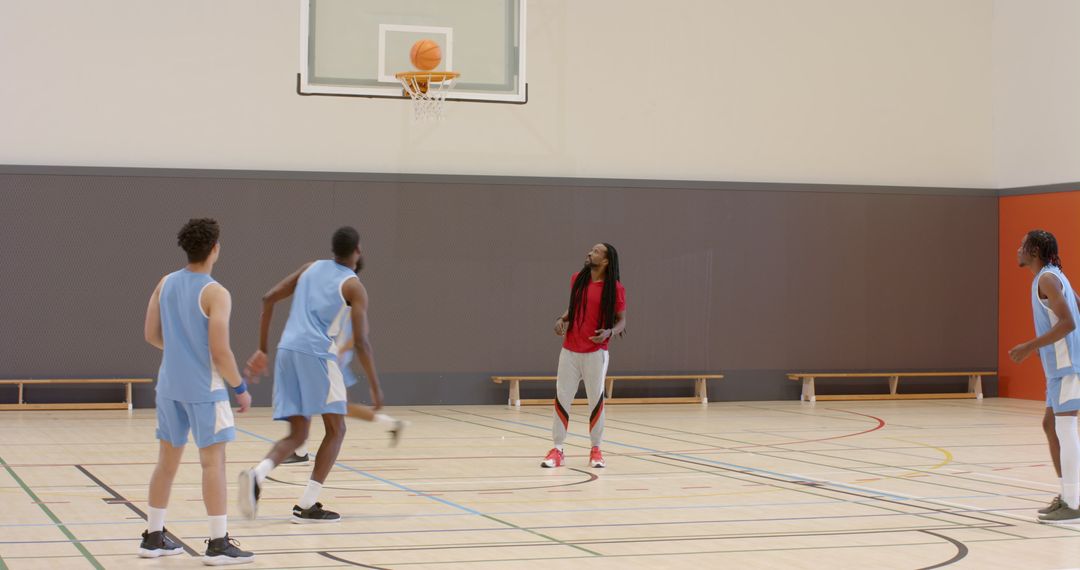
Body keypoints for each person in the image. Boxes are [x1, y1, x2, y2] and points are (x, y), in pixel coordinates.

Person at [238, 226, 393, 523]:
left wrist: (262, 349)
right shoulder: (353, 286)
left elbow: (268, 298)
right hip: (316, 354)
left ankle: (257, 475)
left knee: (299, 434)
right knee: (336, 430)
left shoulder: (310, 268)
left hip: (286, 351)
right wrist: (375, 388)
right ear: (357, 250)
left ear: (333, 249)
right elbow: (362, 342)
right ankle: (306, 505)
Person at [139, 218, 254, 564]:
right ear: (215, 248)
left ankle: (153, 536)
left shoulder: (165, 282)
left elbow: (150, 334)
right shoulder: (216, 293)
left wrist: (179, 351)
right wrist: (240, 387)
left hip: (169, 386)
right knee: (213, 464)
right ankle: (218, 543)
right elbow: (221, 352)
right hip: (205, 389)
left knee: (166, 464)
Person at [1010, 229, 1080, 523]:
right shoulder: (1053, 276)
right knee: (1050, 425)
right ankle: (1067, 495)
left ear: (1035, 250)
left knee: (1065, 428)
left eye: (1022, 245)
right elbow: (1076, 305)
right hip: (1058, 369)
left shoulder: (1048, 279)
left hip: (1066, 369)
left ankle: (1074, 504)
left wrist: (1031, 345)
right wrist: (1046, 343)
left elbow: (1067, 323)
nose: (1018, 249)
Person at [542, 243, 627, 469]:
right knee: (562, 398)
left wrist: (610, 332)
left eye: (597, 251)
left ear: (606, 261)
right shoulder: (577, 280)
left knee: (595, 401)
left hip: (595, 353)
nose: (590, 253)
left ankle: (596, 449)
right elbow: (574, 307)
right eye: (591, 250)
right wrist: (562, 319)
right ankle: (557, 449)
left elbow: (622, 320)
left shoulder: (615, 288)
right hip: (569, 349)